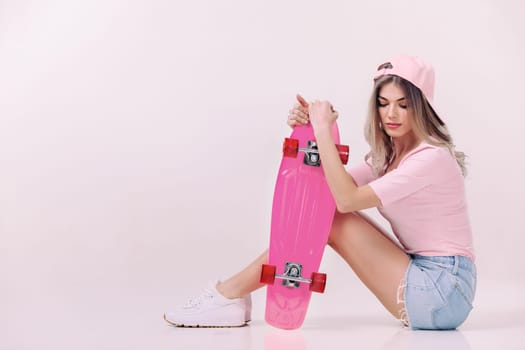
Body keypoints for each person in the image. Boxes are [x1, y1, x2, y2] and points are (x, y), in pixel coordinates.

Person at [164, 54, 476, 330]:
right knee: (325, 215)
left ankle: (228, 295)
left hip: (443, 290)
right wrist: (309, 131)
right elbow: (323, 191)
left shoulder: (429, 158)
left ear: (421, 107)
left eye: (403, 105)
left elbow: (344, 200)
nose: (391, 114)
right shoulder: (389, 157)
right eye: (383, 104)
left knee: (334, 220)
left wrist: (324, 131)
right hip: (427, 279)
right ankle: (231, 296)